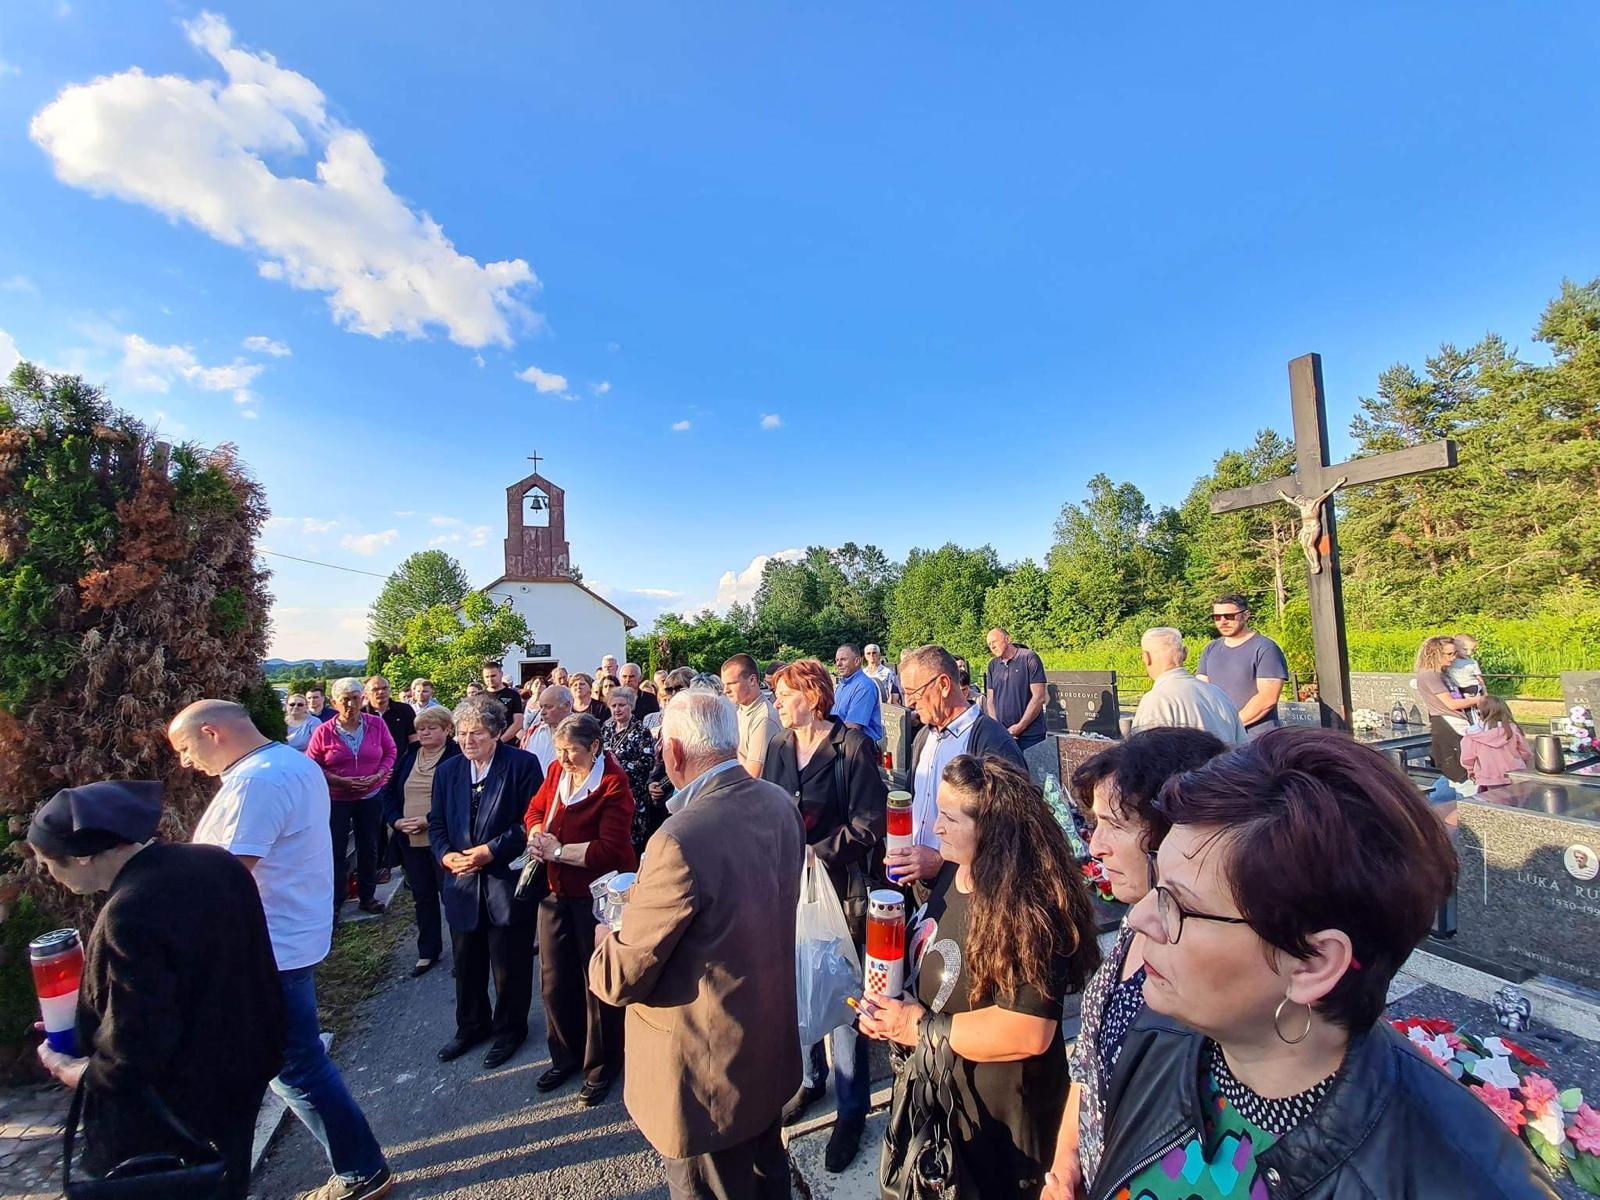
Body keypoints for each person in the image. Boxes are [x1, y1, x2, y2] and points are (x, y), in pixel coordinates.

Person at [1076, 729, 1555, 1200]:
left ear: (1313, 964)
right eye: (1158, 883)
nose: (1140, 919)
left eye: (1179, 905)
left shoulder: (1463, 1183)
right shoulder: (1161, 1034)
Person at [174, 700, 393, 1200]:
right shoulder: (288, 762)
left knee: (295, 1067)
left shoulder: (258, 781)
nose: (186, 761)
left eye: (186, 747)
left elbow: (225, 878)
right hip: (290, 934)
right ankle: (360, 1165)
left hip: (268, 945)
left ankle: (362, 1171)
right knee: (294, 1061)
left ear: (211, 732)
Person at [590, 691, 806, 1199]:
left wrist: (604, 939)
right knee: (768, 1179)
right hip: (766, 1048)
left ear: (674, 752)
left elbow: (620, 977)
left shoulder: (678, 838)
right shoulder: (778, 802)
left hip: (705, 1077)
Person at [859, 754, 1101, 1200]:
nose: (936, 828)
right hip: (950, 1117)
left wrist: (917, 1027)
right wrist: (890, 1012)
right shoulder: (955, 871)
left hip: (1004, 1136)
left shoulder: (1028, 908)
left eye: (950, 818)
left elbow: (1028, 1030)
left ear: (992, 828)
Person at [29, 781, 284, 1200]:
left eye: (47, 863)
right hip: (244, 1073)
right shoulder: (214, 861)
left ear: (82, 855)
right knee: (228, 1180)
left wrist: (81, 1073)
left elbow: (138, 1043)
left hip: (178, 1105)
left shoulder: (130, 910)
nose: (48, 874)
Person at [1045, 728, 1229, 1198]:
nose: (1094, 845)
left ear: (1172, 834)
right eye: (1095, 823)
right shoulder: (1138, 918)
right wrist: (1066, 1164)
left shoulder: (1206, 978)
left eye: (1114, 824)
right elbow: (1088, 1062)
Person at [762, 659, 887, 1170]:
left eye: (785, 694)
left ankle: (851, 1109)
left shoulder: (851, 746)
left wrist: (816, 852)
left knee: (842, 994)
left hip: (839, 892)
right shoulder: (777, 745)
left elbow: (869, 824)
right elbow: (768, 808)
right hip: (789, 890)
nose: (776, 702)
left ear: (813, 698)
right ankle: (810, 1079)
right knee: (799, 983)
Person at [523, 714, 638, 1104]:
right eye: (559, 750)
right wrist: (536, 834)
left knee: (596, 981)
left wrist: (557, 851)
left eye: (572, 751)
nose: (563, 758)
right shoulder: (557, 771)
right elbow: (535, 809)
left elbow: (610, 849)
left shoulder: (613, 784)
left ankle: (602, 1065)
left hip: (596, 896)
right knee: (554, 978)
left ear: (594, 747)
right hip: (555, 891)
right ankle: (565, 1055)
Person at [429, 696, 544, 1068]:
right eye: (462, 733)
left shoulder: (522, 765)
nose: (467, 741)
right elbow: (436, 822)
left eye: (476, 733)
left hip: (504, 881)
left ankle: (510, 1029)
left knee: (509, 964)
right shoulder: (448, 770)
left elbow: (531, 821)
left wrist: (490, 851)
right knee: (466, 963)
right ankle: (471, 1026)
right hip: (461, 881)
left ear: (496, 732)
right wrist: (445, 855)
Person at [895, 644, 1026, 890]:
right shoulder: (925, 736)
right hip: (920, 884)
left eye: (914, 692)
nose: (909, 702)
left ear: (944, 685)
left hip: (968, 888)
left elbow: (1011, 830)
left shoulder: (991, 742)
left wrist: (940, 861)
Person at [306, 677, 397, 918]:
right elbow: (312, 765)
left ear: (362, 699)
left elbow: (390, 751)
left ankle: (367, 897)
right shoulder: (323, 731)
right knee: (336, 850)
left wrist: (379, 774)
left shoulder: (376, 724)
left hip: (370, 795)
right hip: (337, 798)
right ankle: (335, 902)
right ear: (334, 702)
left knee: (369, 847)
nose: (351, 704)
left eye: (355, 698)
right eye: (345, 699)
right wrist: (339, 781)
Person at [382, 705, 460, 975]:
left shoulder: (456, 756)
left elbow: (458, 799)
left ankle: (462, 953)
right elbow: (389, 794)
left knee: (451, 896)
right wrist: (396, 821)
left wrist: (429, 820)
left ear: (447, 729)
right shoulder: (409, 756)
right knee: (422, 896)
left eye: (431, 728)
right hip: (411, 841)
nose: (424, 733)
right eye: (421, 729)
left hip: (443, 840)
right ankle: (428, 951)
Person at [1130, 628, 1248, 744]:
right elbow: (1243, 747)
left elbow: (1143, 753)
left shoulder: (1156, 700)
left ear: (1146, 658)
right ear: (1185, 653)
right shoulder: (1219, 695)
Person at [1196, 594, 1289, 740]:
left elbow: (1267, 698)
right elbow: (1201, 690)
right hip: (1219, 738)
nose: (1223, 621)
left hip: (1257, 740)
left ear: (1245, 615)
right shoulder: (1210, 649)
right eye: (1217, 617)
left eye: (1229, 616)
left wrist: (1230, 726)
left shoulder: (1265, 648)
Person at [603, 685, 659, 854]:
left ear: (631, 706)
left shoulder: (641, 731)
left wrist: (619, 766)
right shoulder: (606, 729)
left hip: (634, 794)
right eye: (613, 706)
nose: (617, 709)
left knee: (632, 843)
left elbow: (648, 762)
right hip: (609, 793)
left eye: (622, 705)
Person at [1415, 634, 1478, 783]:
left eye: (1455, 653)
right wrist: (1479, 700)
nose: (1453, 657)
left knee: (1457, 776)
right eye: (1449, 654)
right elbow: (1451, 704)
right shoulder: (1429, 675)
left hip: (1458, 722)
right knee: (1460, 774)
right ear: (1435, 654)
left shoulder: (1443, 673)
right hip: (1447, 724)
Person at [984, 627, 1049, 749]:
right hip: (1003, 735)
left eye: (994, 642)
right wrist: (998, 728)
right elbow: (990, 700)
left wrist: (1020, 726)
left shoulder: (1029, 658)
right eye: (989, 644)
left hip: (1031, 735)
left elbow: (1039, 697)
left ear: (1008, 639)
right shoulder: (992, 665)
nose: (992, 647)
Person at [722, 652, 783, 777]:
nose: (725, 690)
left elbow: (753, 776)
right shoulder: (739, 709)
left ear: (752, 680)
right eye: (724, 684)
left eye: (731, 683)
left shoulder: (763, 718)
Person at [1461, 694, 1532, 788]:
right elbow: (1525, 752)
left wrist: (1470, 771)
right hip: (1515, 774)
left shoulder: (1472, 734)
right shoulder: (1513, 729)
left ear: (1480, 712)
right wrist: (1522, 763)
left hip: (1488, 776)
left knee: (1492, 797)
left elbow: (1467, 758)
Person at [831, 643, 884, 742]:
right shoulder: (842, 685)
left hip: (859, 745)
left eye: (843, 659)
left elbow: (853, 727)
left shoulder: (865, 686)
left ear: (857, 661)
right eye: (837, 660)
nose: (838, 664)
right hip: (839, 740)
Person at [525, 684, 574, 772]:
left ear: (566, 706)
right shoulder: (533, 732)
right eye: (541, 707)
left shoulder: (582, 732)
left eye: (548, 707)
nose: (542, 712)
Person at [363, 675, 417, 749]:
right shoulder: (361, 714)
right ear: (366, 694)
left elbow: (414, 737)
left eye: (385, 688)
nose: (381, 692)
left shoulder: (405, 710)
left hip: (401, 756)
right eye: (375, 689)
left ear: (390, 690)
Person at [481, 659, 525, 743]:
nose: (490, 679)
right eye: (487, 677)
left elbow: (518, 722)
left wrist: (500, 741)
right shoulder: (478, 696)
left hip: (507, 743)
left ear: (501, 674)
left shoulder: (513, 695)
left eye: (493, 676)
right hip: (484, 743)